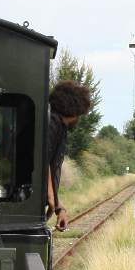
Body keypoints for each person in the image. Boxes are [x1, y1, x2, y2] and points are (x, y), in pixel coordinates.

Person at [46, 80, 92, 231]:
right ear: (75, 112)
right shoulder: (53, 123)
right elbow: (43, 161)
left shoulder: (56, 123)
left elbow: (50, 168)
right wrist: (51, 197)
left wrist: (59, 208)